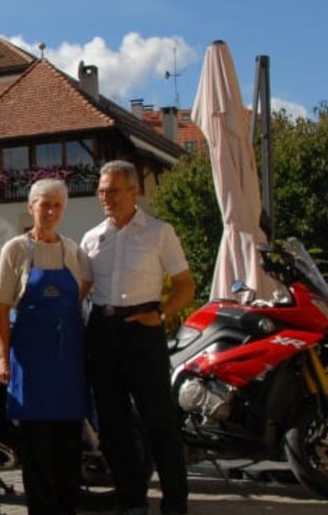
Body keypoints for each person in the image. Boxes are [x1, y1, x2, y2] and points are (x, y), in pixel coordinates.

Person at [80, 160, 195, 515]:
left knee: (159, 421)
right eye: (101, 191)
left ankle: (175, 504)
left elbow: (185, 286)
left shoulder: (160, 232)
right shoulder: (91, 237)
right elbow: (80, 290)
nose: (106, 197)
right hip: (101, 330)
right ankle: (132, 501)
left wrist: (160, 313)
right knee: (113, 427)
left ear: (134, 191)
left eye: (113, 190)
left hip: (143, 329)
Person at [0, 179, 93, 514]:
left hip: (68, 364)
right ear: (31, 207)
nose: (50, 211)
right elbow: (2, 308)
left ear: (63, 209)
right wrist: (4, 358)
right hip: (31, 364)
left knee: (67, 446)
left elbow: (83, 288)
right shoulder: (16, 250)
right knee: (37, 450)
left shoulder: (72, 250)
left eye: (57, 205)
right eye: (44, 204)